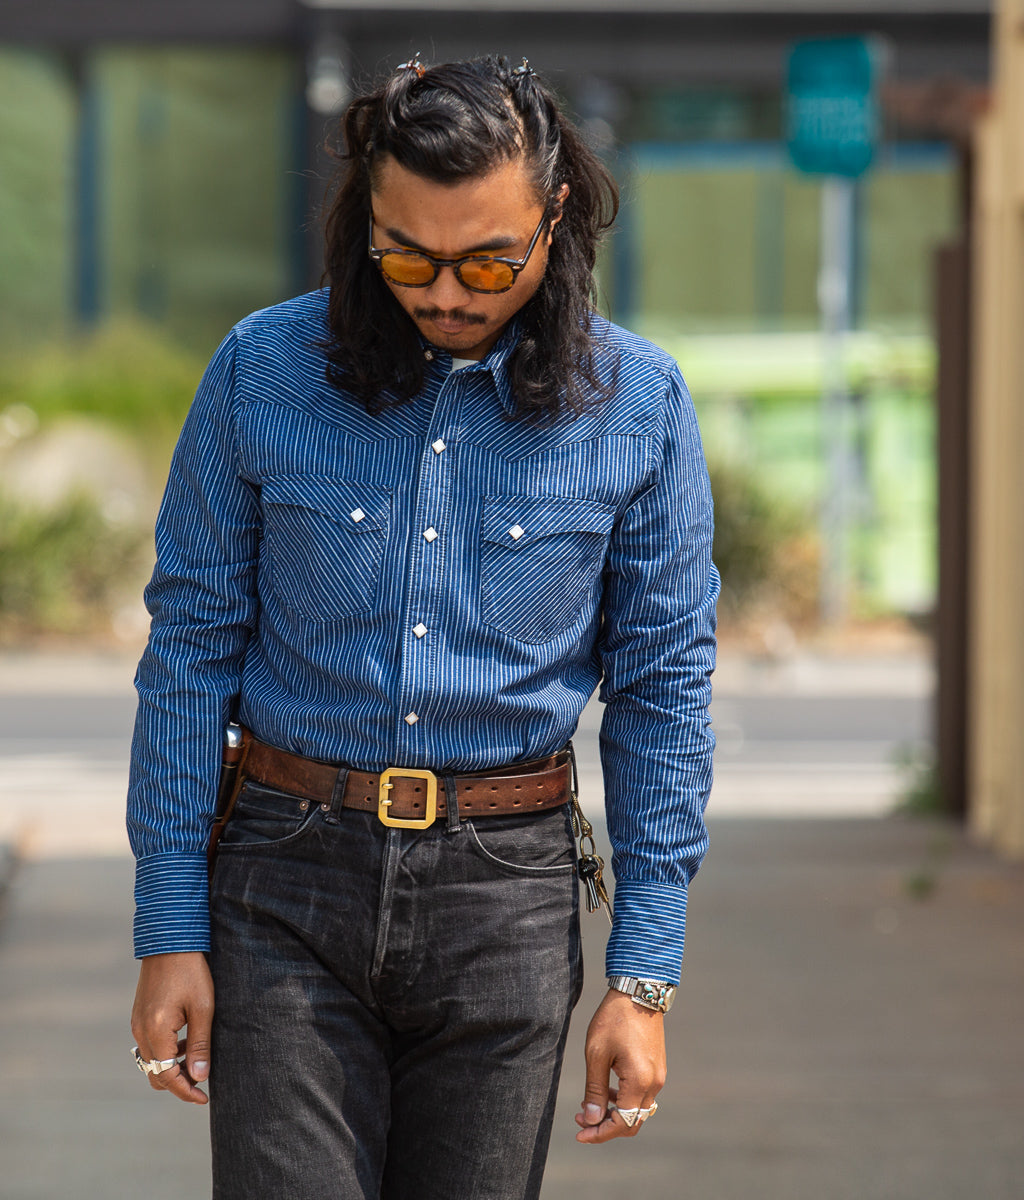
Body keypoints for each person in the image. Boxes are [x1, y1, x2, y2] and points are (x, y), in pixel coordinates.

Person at [127, 54, 716, 1200]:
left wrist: (643, 980)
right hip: (283, 883)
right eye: (408, 255)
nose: (446, 292)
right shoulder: (262, 372)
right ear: (363, 224)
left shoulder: (639, 406)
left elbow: (664, 692)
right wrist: (168, 929)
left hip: (507, 896)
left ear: (554, 219)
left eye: (488, 260)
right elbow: (190, 649)